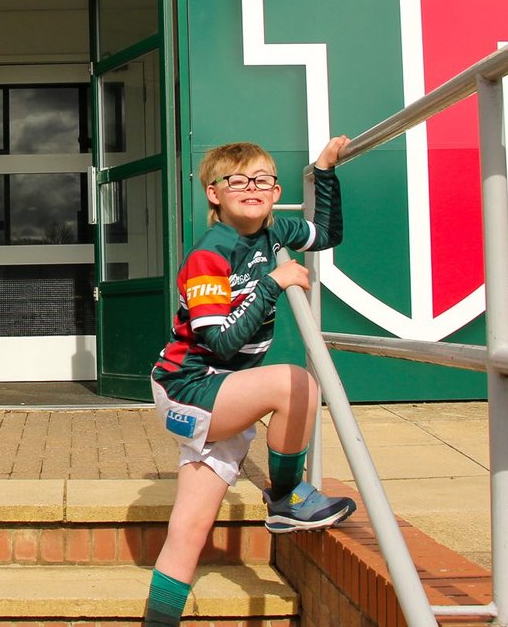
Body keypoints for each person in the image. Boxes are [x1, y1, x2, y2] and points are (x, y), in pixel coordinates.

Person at [142, 138, 354, 627]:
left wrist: (324, 171)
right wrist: (274, 283)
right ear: (214, 194)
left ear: (277, 191)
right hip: (188, 387)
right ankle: (284, 498)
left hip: (225, 390)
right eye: (237, 181)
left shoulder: (274, 229)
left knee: (189, 531)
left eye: (262, 180)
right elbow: (218, 343)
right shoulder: (209, 255)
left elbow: (325, 234)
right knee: (295, 384)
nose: (251, 188)